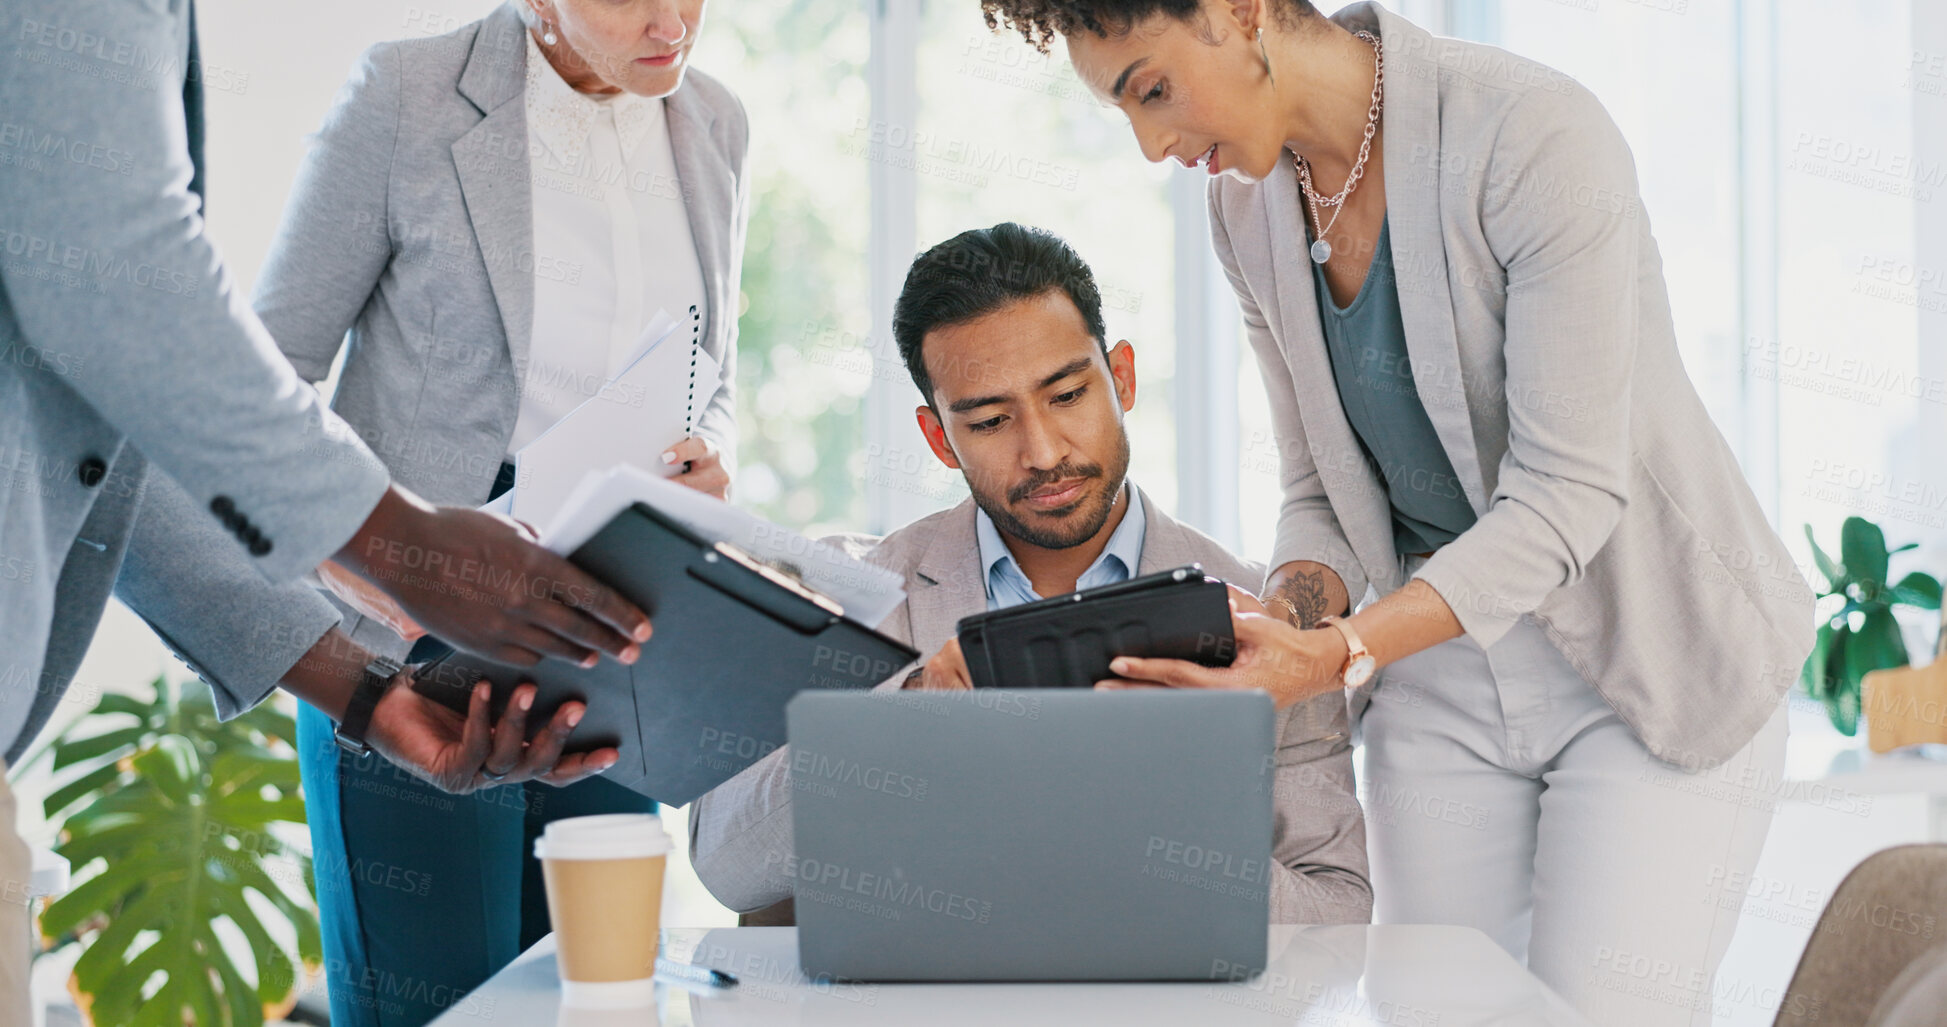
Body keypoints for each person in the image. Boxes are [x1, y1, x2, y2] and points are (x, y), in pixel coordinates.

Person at [977, 3, 1813, 1024]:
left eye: (1152, 90)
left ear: (1241, 12)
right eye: (1124, 110)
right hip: (1436, 663)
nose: (1153, 145)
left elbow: (1567, 496)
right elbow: (1320, 490)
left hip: (1645, 651)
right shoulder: (1247, 206)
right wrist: (1282, 620)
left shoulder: (1531, 135)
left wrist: (1335, 656)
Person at [0, 0, 659, 1021]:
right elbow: (123, 292)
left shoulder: (707, 129)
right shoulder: (407, 92)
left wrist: (366, 690)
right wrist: (407, 552)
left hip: (560, 665)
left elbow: (110, 426)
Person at [689, 223, 1370, 927]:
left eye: (1068, 395)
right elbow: (725, 862)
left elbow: (1338, 912)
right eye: (988, 421)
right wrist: (909, 718)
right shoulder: (841, 589)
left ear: (1122, 378)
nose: (1042, 452)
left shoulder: (1266, 620)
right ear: (938, 438)